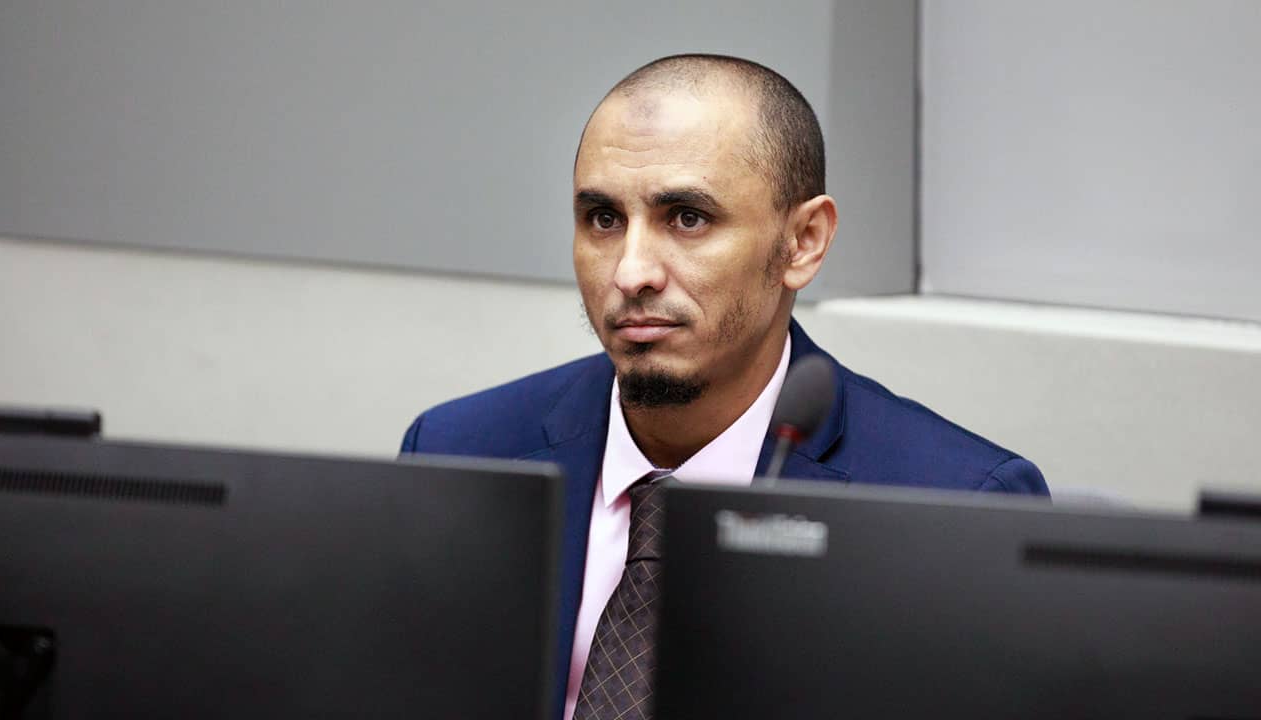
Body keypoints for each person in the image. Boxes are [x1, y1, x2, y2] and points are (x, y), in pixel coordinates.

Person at [400, 54, 1049, 720]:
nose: (631, 272)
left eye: (686, 218)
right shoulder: (459, 450)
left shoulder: (955, 508)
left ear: (803, 242)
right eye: (603, 219)